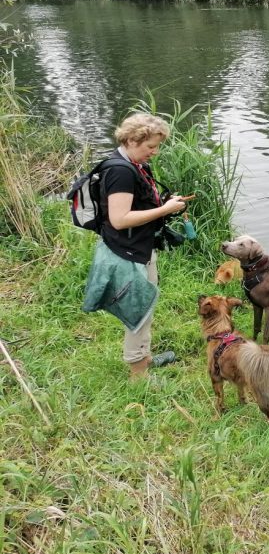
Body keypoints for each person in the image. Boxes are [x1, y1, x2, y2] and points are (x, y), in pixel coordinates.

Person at [93, 113, 189, 379]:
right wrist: (165, 210)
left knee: (147, 304)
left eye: (157, 146)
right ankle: (139, 375)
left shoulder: (134, 164)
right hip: (129, 252)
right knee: (138, 309)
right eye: (151, 146)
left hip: (139, 246)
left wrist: (165, 203)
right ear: (132, 140)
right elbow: (119, 219)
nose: (155, 152)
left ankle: (145, 358)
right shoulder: (121, 171)